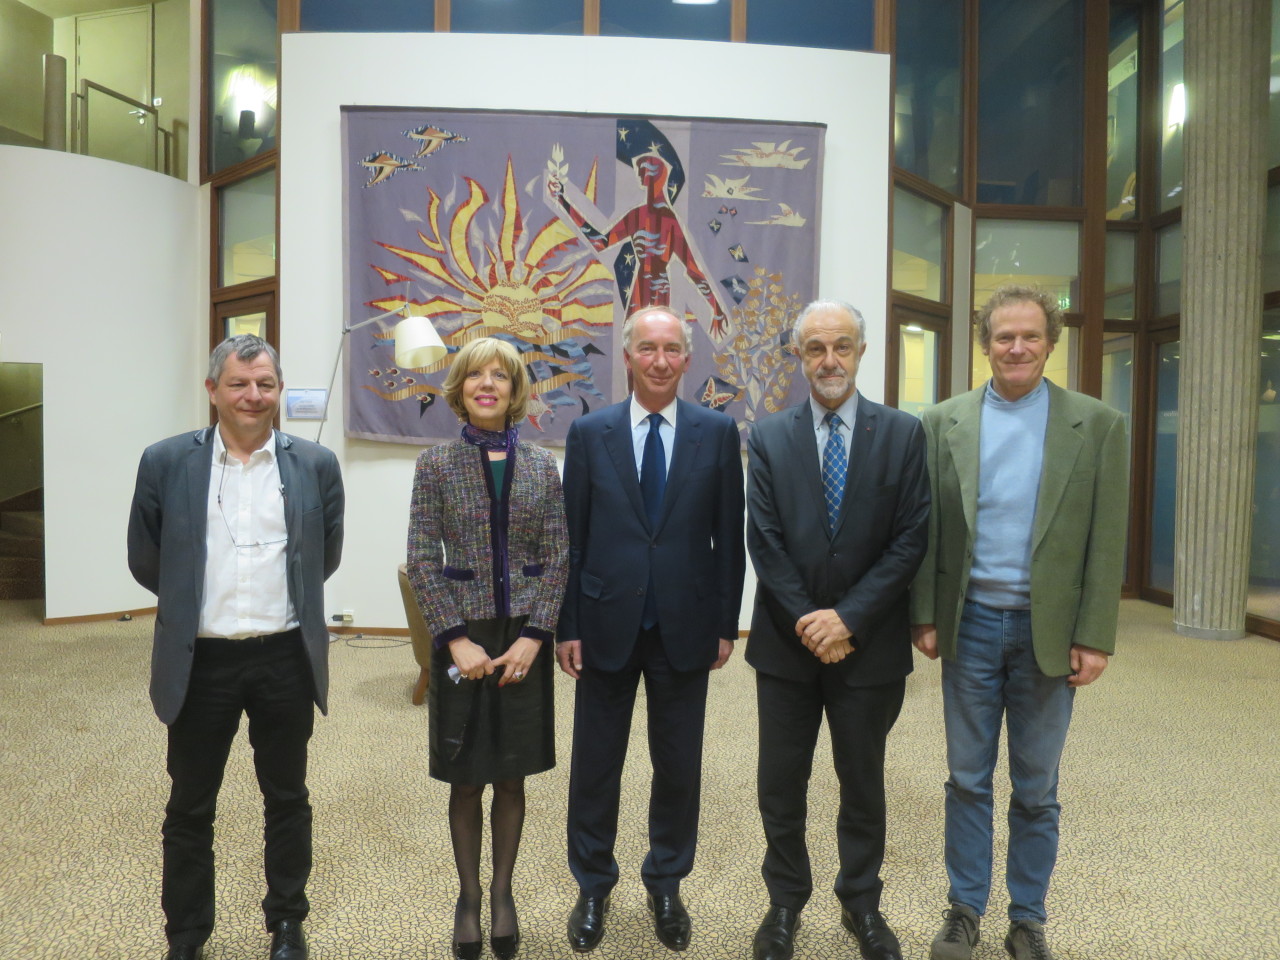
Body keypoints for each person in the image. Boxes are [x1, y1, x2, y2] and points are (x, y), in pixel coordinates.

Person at [910, 285, 1128, 960]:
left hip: (1050, 631)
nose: (1017, 348)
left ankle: (1027, 918)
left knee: (1036, 788)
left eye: (1030, 336)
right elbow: (927, 531)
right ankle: (963, 911)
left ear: (1051, 342)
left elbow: (1105, 537)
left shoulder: (1096, 426)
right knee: (967, 779)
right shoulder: (941, 422)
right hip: (969, 624)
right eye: (1004, 336)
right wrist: (925, 615)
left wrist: (1094, 634)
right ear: (985, 344)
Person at [127, 335, 344, 960]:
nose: (254, 396)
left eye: (266, 384)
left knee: (287, 797)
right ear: (213, 391)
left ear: (278, 390)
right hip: (202, 663)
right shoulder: (166, 462)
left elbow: (321, 558)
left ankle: (286, 923)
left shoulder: (315, 464)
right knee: (190, 806)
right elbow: (148, 560)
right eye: (240, 384)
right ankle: (188, 936)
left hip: (283, 660)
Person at [557, 305, 746, 953]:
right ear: (629, 356)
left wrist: (727, 623)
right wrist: (567, 626)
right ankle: (593, 883)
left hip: (686, 625)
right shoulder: (590, 434)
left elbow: (730, 537)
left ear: (688, 360)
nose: (660, 360)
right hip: (604, 621)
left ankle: (667, 880)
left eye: (672, 349)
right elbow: (571, 538)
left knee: (678, 765)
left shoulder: (717, 432)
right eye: (648, 348)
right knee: (595, 765)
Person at [745, 300, 929, 960]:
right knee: (780, 784)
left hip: (867, 647)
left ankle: (862, 905)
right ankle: (784, 905)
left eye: (842, 346)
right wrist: (812, 623)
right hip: (786, 648)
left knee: (863, 784)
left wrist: (848, 619)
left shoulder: (905, 435)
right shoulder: (767, 437)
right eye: (815, 348)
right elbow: (764, 544)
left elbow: (911, 541)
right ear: (798, 357)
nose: (829, 360)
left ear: (861, 351)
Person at [406, 336, 569, 960]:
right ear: (460, 388)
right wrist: (453, 641)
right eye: (477, 374)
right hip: (464, 638)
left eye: (501, 376)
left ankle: (503, 892)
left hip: (521, 639)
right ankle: (468, 898)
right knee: (467, 776)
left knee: (512, 772)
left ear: (515, 391)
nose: (489, 384)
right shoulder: (436, 466)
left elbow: (558, 557)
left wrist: (535, 636)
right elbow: (422, 559)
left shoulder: (540, 467)